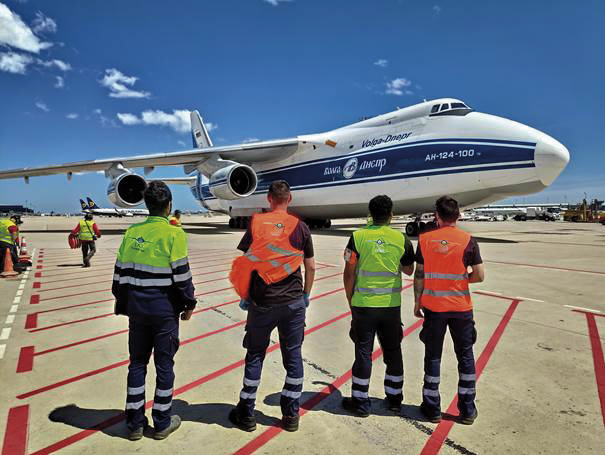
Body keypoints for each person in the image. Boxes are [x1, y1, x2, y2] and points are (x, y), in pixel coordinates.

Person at [112, 181, 197, 441]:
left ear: (146, 205)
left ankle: (135, 423)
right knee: (164, 365)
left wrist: (125, 303)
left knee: (137, 364)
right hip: (164, 312)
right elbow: (182, 277)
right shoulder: (174, 234)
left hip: (138, 310)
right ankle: (161, 421)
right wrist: (189, 304)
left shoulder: (132, 232)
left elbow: (119, 276)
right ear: (169, 206)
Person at [228, 180, 315, 432]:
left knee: (255, 354)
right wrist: (305, 295)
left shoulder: (255, 223)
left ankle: (246, 413)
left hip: (262, 301)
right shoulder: (301, 227)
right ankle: (291, 415)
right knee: (293, 355)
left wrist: (245, 294)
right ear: (290, 199)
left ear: (268, 199)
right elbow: (310, 266)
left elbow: (245, 262)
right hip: (293, 303)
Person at [413, 195, 485, 425]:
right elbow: (480, 275)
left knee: (433, 355)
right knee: (465, 355)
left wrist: (418, 301)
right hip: (461, 307)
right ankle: (467, 409)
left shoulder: (425, 240)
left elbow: (420, 275)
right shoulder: (468, 240)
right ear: (458, 216)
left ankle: (432, 407)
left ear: (437, 215)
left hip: (434, 307)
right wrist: (460, 281)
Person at [341, 195, 415, 417]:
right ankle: (394, 400)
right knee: (393, 351)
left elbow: (349, 273)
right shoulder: (401, 239)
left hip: (363, 305)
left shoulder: (357, 237)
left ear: (370, 214)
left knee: (363, 352)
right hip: (391, 306)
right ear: (391, 215)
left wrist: (350, 299)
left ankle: (360, 402)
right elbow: (410, 270)